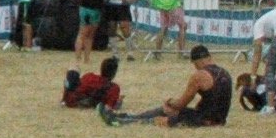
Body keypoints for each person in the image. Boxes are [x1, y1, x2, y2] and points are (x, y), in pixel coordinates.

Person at [99, 44, 231, 128]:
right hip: (217, 119)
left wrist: (169, 101)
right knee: (170, 111)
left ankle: (122, 121)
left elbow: (180, 104)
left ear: (196, 61)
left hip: (204, 121)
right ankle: (126, 116)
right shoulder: (225, 73)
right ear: (209, 57)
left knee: (162, 115)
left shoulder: (199, 76)